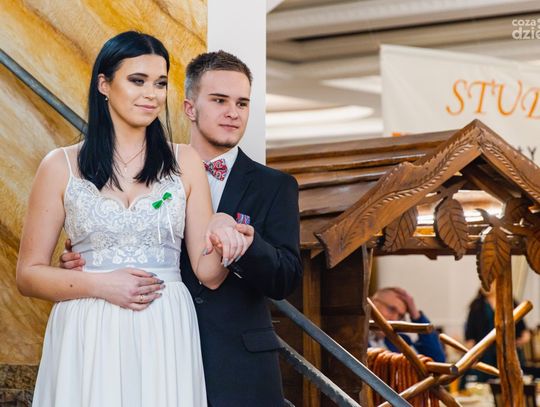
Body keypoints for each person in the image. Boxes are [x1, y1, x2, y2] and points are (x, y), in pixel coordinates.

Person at [16, 32, 252, 407]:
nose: (151, 94)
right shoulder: (60, 165)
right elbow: (28, 275)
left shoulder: (185, 161)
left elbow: (207, 272)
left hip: (165, 326)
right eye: (137, 80)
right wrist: (102, 285)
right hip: (88, 327)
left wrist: (225, 229)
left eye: (160, 83)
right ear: (104, 84)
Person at [61, 50, 303, 406]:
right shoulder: (146, 172)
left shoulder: (275, 186)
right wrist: (87, 257)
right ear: (189, 108)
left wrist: (246, 245)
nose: (233, 112)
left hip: (238, 366)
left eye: (242, 103)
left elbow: (287, 278)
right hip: (156, 348)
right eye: (219, 100)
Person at [463, 283, 530, 383]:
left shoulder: (509, 301)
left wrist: (522, 339)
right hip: (485, 354)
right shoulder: (476, 306)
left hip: (508, 352)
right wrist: (471, 356)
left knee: (511, 381)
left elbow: (523, 329)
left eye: (490, 283)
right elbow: (470, 335)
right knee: (486, 383)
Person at [369, 287, 446, 362]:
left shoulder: (400, 341)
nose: (394, 319)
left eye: (400, 316)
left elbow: (437, 360)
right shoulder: (361, 341)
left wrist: (416, 315)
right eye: (391, 309)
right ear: (373, 303)